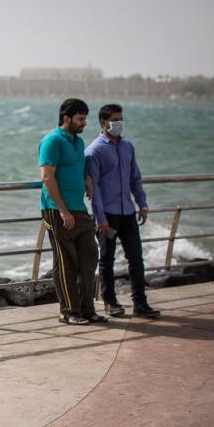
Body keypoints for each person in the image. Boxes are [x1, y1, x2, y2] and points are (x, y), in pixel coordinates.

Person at [85, 104, 160, 318]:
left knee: (136, 257)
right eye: (115, 119)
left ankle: (140, 303)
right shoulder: (94, 151)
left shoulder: (127, 146)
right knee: (106, 260)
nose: (119, 123)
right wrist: (100, 217)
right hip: (107, 215)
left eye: (121, 118)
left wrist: (142, 203)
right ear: (103, 122)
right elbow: (94, 189)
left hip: (128, 212)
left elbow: (135, 177)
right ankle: (110, 302)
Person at [39, 98, 106, 325]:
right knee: (65, 261)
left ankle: (87, 309)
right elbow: (47, 178)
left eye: (85, 118)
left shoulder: (78, 143)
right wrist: (63, 211)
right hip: (57, 211)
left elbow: (77, 168)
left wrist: (87, 178)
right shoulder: (52, 141)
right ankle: (68, 311)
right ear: (66, 118)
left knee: (89, 256)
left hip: (79, 209)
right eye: (80, 118)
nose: (84, 122)